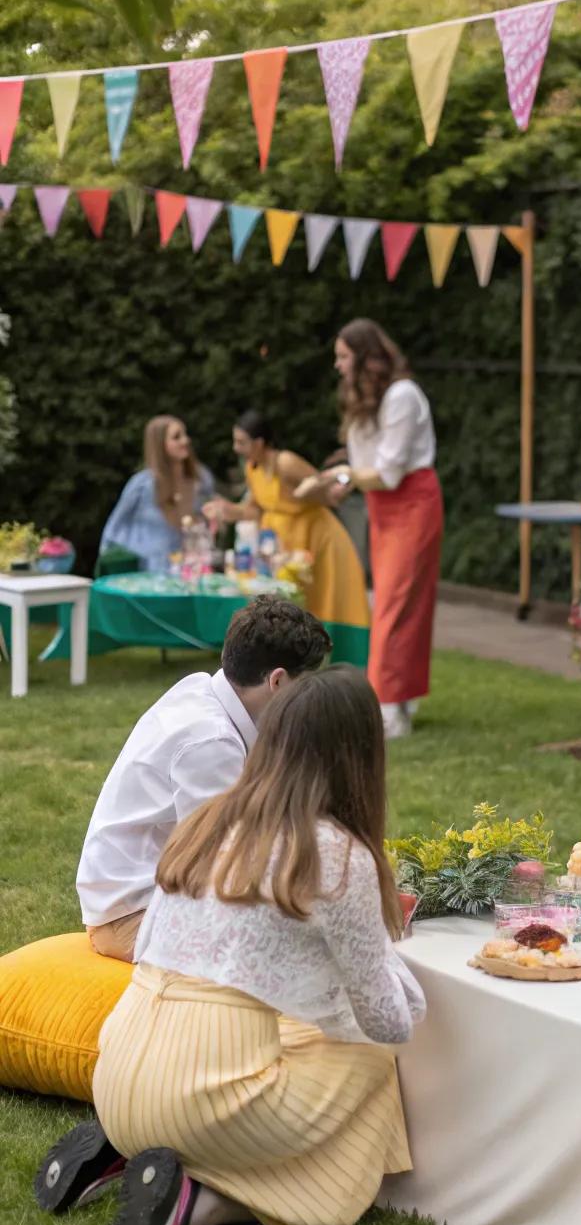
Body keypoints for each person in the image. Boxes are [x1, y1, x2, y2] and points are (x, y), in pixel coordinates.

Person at [35, 668, 425, 1225]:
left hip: (114, 1075)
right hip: (201, 1095)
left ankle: (131, 1149)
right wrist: (389, 952)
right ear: (360, 758)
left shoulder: (207, 820)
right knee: (373, 1060)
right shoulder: (335, 852)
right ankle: (204, 1203)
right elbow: (389, 1019)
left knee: (293, 1037)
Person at [77, 596, 331, 962]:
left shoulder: (204, 690)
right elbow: (225, 867)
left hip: (141, 897)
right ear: (277, 681)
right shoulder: (213, 742)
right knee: (294, 953)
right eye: (304, 686)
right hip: (134, 916)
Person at [301, 320, 443, 740]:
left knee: (396, 605)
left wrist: (342, 474)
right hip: (383, 507)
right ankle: (401, 699)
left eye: (344, 356)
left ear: (365, 358)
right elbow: (367, 466)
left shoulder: (401, 394)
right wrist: (337, 484)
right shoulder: (364, 397)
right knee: (394, 601)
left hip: (412, 503)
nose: (338, 365)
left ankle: (386, 710)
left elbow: (388, 472)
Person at [204, 411, 370, 632]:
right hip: (285, 548)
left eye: (241, 442)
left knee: (327, 600)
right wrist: (227, 510)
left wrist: (320, 489)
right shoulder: (253, 468)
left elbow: (325, 488)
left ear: (260, 443)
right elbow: (255, 510)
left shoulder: (285, 462)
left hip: (317, 539)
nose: (235, 448)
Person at [99, 416, 214, 573]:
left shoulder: (200, 479)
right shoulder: (142, 485)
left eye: (185, 434)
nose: (185, 441)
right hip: (150, 570)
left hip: (191, 567)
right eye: (176, 437)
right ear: (160, 444)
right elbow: (114, 527)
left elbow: (208, 519)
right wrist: (107, 566)